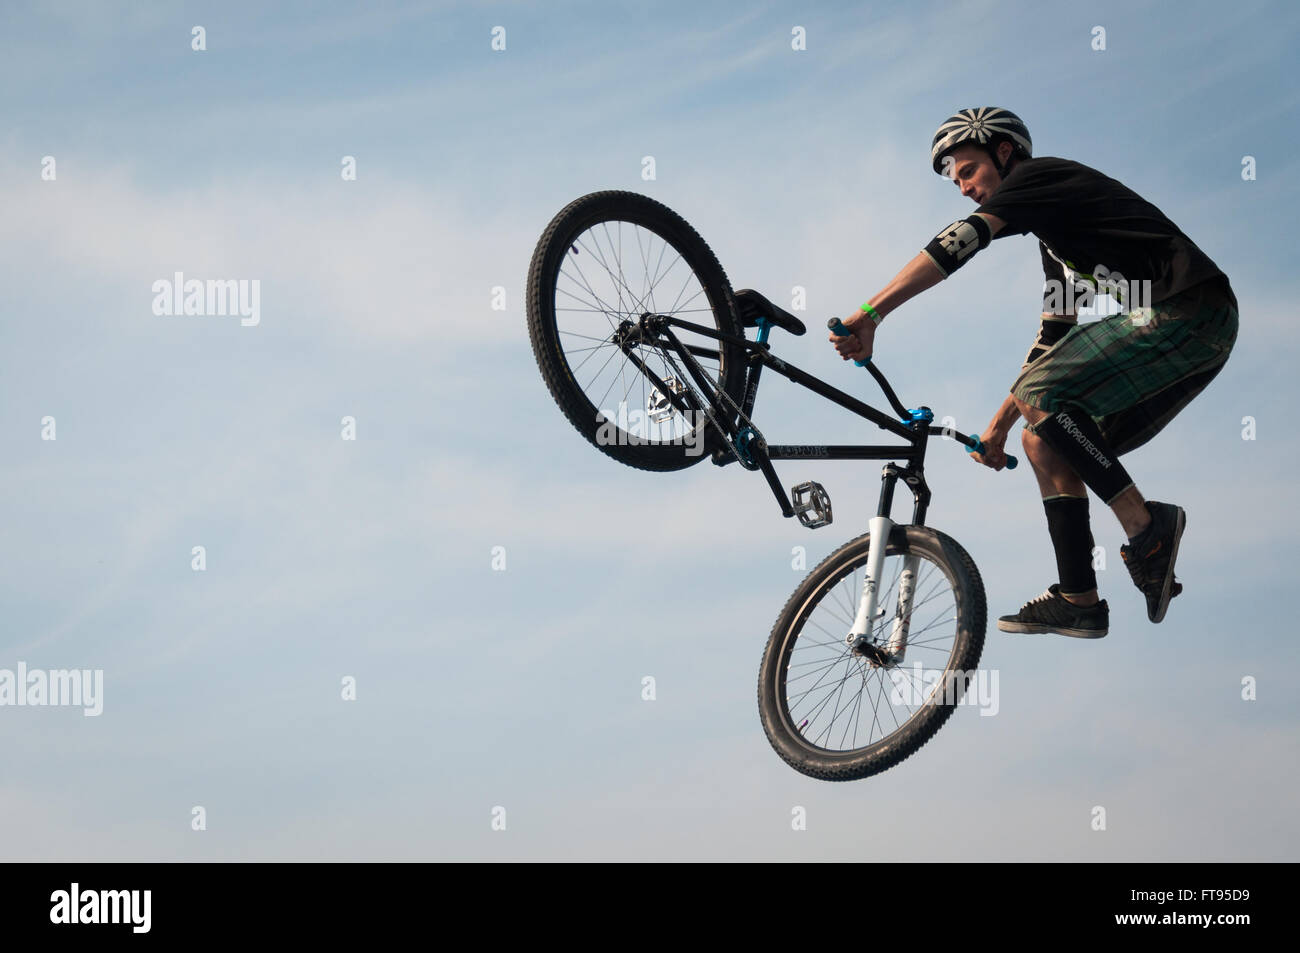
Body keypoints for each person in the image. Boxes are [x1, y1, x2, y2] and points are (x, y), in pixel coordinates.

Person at [830, 107, 1238, 638]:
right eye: (956, 181)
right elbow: (1055, 339)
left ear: (1004, 153)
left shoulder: (1040, 178)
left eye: (969, 170)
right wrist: (999, 427)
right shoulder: (1056, 239)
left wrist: (871, 312)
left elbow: (960, 241)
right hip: (1190, 334)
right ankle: (1080, 599)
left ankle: (1147, 529)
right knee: (1043, 440)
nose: (964, 187)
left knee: (1042, 395)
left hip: (1187, 311)